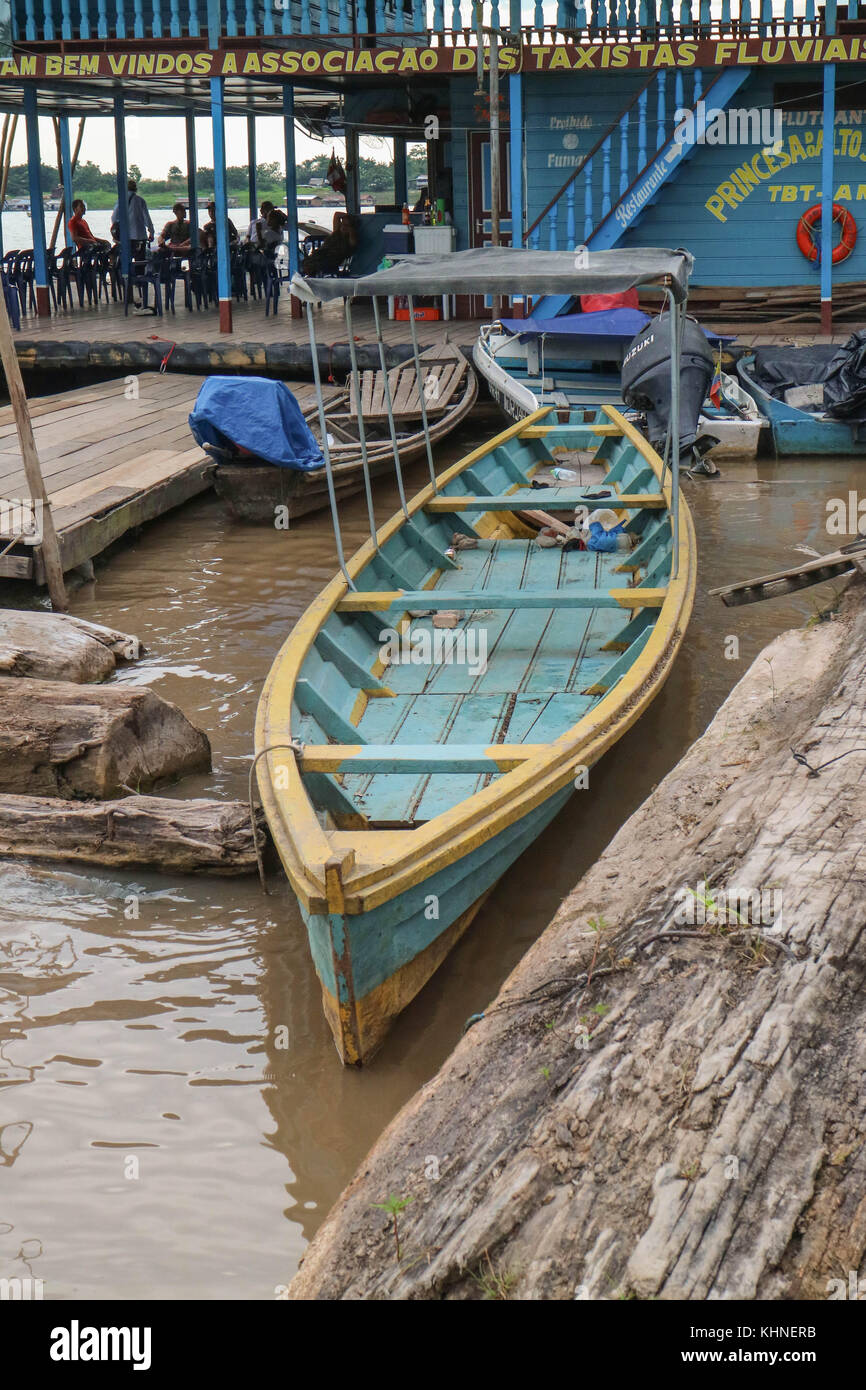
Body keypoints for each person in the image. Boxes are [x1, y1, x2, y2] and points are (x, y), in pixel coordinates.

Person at [301, 211, 358, 277]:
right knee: (308, 262)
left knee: (315, 264)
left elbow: (353, 244)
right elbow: (337, 215)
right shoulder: (336, 233)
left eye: (346, 225)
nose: (343, 227)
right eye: (342, 224)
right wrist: (349, 216)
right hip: (320, 255)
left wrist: (351, 230)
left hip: (330, 260)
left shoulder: (350, 240)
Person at [110, 178, 154, 260]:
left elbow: (114, 217)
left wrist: (119, 230)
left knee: (126, 260)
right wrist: (151, 232)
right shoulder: (141, 200)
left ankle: (127, 272)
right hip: (141, 236)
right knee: (140, 261)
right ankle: (139, 272)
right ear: (136, 189)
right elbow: (147, 219)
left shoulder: (121, 200)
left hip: (127, 237)